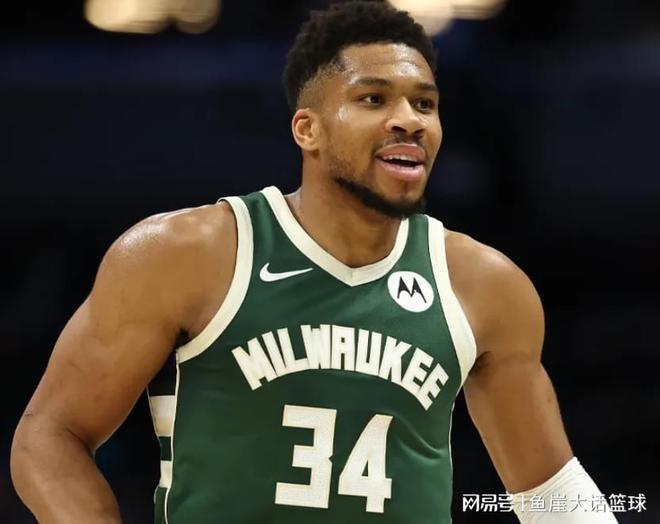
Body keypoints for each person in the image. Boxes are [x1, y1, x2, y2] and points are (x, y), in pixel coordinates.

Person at [11, 2, 618, 523]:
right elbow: (49, 435)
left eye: (425, 103)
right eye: (374, 98)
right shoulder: (185, 254)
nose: (409, 120)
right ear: (308, 130)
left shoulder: (486, 285)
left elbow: (551, 495)